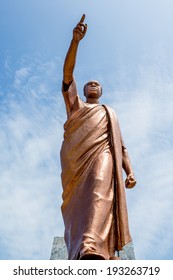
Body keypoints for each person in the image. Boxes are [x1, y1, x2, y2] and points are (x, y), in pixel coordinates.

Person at [60, 14, 136, 260]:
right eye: (89, 83)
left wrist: (130, 171)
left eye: (97, 84)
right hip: (76, 163)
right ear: (83, 91)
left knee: (100, 192)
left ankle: (92, 246)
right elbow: (67, 75)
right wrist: (75, 42)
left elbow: (121, 147)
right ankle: (83, 245)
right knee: (82, 206)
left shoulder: (109, 113)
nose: (93, 85)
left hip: (102, 154)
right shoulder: (77, 108)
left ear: (101, 91)